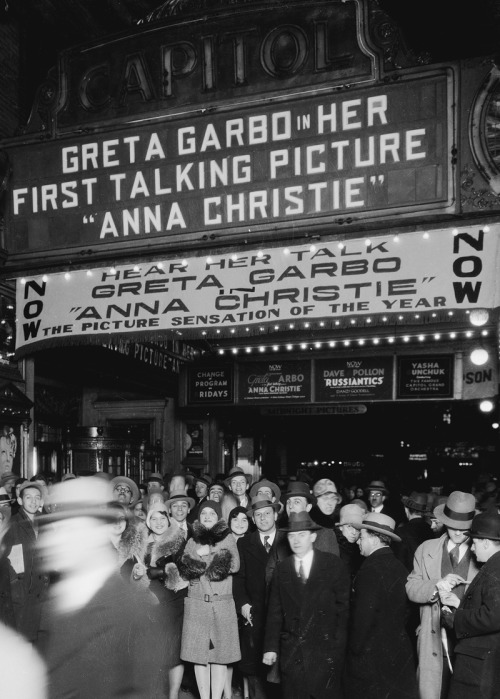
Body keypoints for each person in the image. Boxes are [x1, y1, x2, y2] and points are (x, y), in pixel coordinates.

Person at [38, 476, 160, 698]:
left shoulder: (128, 612)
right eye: (52, 529)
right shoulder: (59, 601)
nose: (49, 541)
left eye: (67, 529)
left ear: (94, 533)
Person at [263, 511, 349, 699]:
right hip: (293, 655)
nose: (296, 540)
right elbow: (274, 612)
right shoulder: (282, 569)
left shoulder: (333, 565)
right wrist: (270, 647)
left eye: (302, 535)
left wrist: (338, 650)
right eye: (292, 535)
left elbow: (344, 612)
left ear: (313, 536)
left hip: (326, 655)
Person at [406, 491, 480, 699]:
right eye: (452, 527)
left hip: (469, 642)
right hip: (434, 638)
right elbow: (411, 587)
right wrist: (436, 585)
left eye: (464, 529)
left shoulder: (483, 554)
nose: (457, 533)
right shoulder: (425, 549)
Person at [344, 512, 418, 699]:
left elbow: (362, 620)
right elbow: (406, 612)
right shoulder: (399, 567)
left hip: (370, 660)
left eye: (362, 537)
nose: (358, 542)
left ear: (375, 540)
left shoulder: (369, 570)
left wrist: (353, 653)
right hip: (396, 655)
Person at [175, 500, 241, 699]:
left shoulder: (227, 538)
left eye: (212, 513)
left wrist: (204, 554)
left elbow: (234, 565)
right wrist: (198, 553)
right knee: (198, 656)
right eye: (204, 514)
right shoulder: (192, 539)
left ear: (218, 517)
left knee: (220, 657)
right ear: (199, 518)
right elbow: (184, 568)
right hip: (197, 603)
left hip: (222, 603)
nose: (208, 517)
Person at [439, 511, 500, 698]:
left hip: (480, 666)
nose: (472, 549)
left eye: (474, 543)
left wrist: (456, 618)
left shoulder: (495, 568)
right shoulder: (492, 565)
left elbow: (494, 616)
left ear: (486, 543)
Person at [234, 496, 288, 699]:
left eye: (267, 513)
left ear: (275, 515)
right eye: (258, 515)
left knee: (279, 666)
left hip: (281, 613)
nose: (263, 518)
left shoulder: (287, 540)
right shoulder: (245, 543)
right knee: (255, 666)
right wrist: (243, 604)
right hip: (254, 612)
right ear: (253, 520)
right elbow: (239, 578)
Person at [133, 502, 188, 699]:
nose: (158, 522)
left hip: (175, 600)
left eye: (162, 518)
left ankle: (173, 695)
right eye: (153, 519)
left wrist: (154, 571)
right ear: (148, 522)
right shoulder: (142, 545)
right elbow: (135, 575)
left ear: (168, 520)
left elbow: (182, 571)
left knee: (174, 651)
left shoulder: (180, 541)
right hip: (150, 602)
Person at [5, 481, 48, 643]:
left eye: (37, 497)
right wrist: (14, 581)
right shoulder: (11, 524)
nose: (33, 501)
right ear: (20, 500)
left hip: (42, 593)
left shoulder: (45, 523)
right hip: (20, 594)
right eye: (28, 497)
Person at [285, 480, 339, 555]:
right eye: (288, 502)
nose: (290, 506)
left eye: (297, 502)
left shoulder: (326, 535)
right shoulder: (280, 536)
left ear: (308, 507)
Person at [395, 491, 434, 572]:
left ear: (406, 509)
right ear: (424, 512)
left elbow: (399, 564)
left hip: (408, 580)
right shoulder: (432, 531)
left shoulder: (400, 532)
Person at [335, 503, 364, 580]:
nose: (354, 532)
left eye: (357, 528)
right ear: (340, 527)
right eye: (349, 527)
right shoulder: (333, 547)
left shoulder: (361, 549)